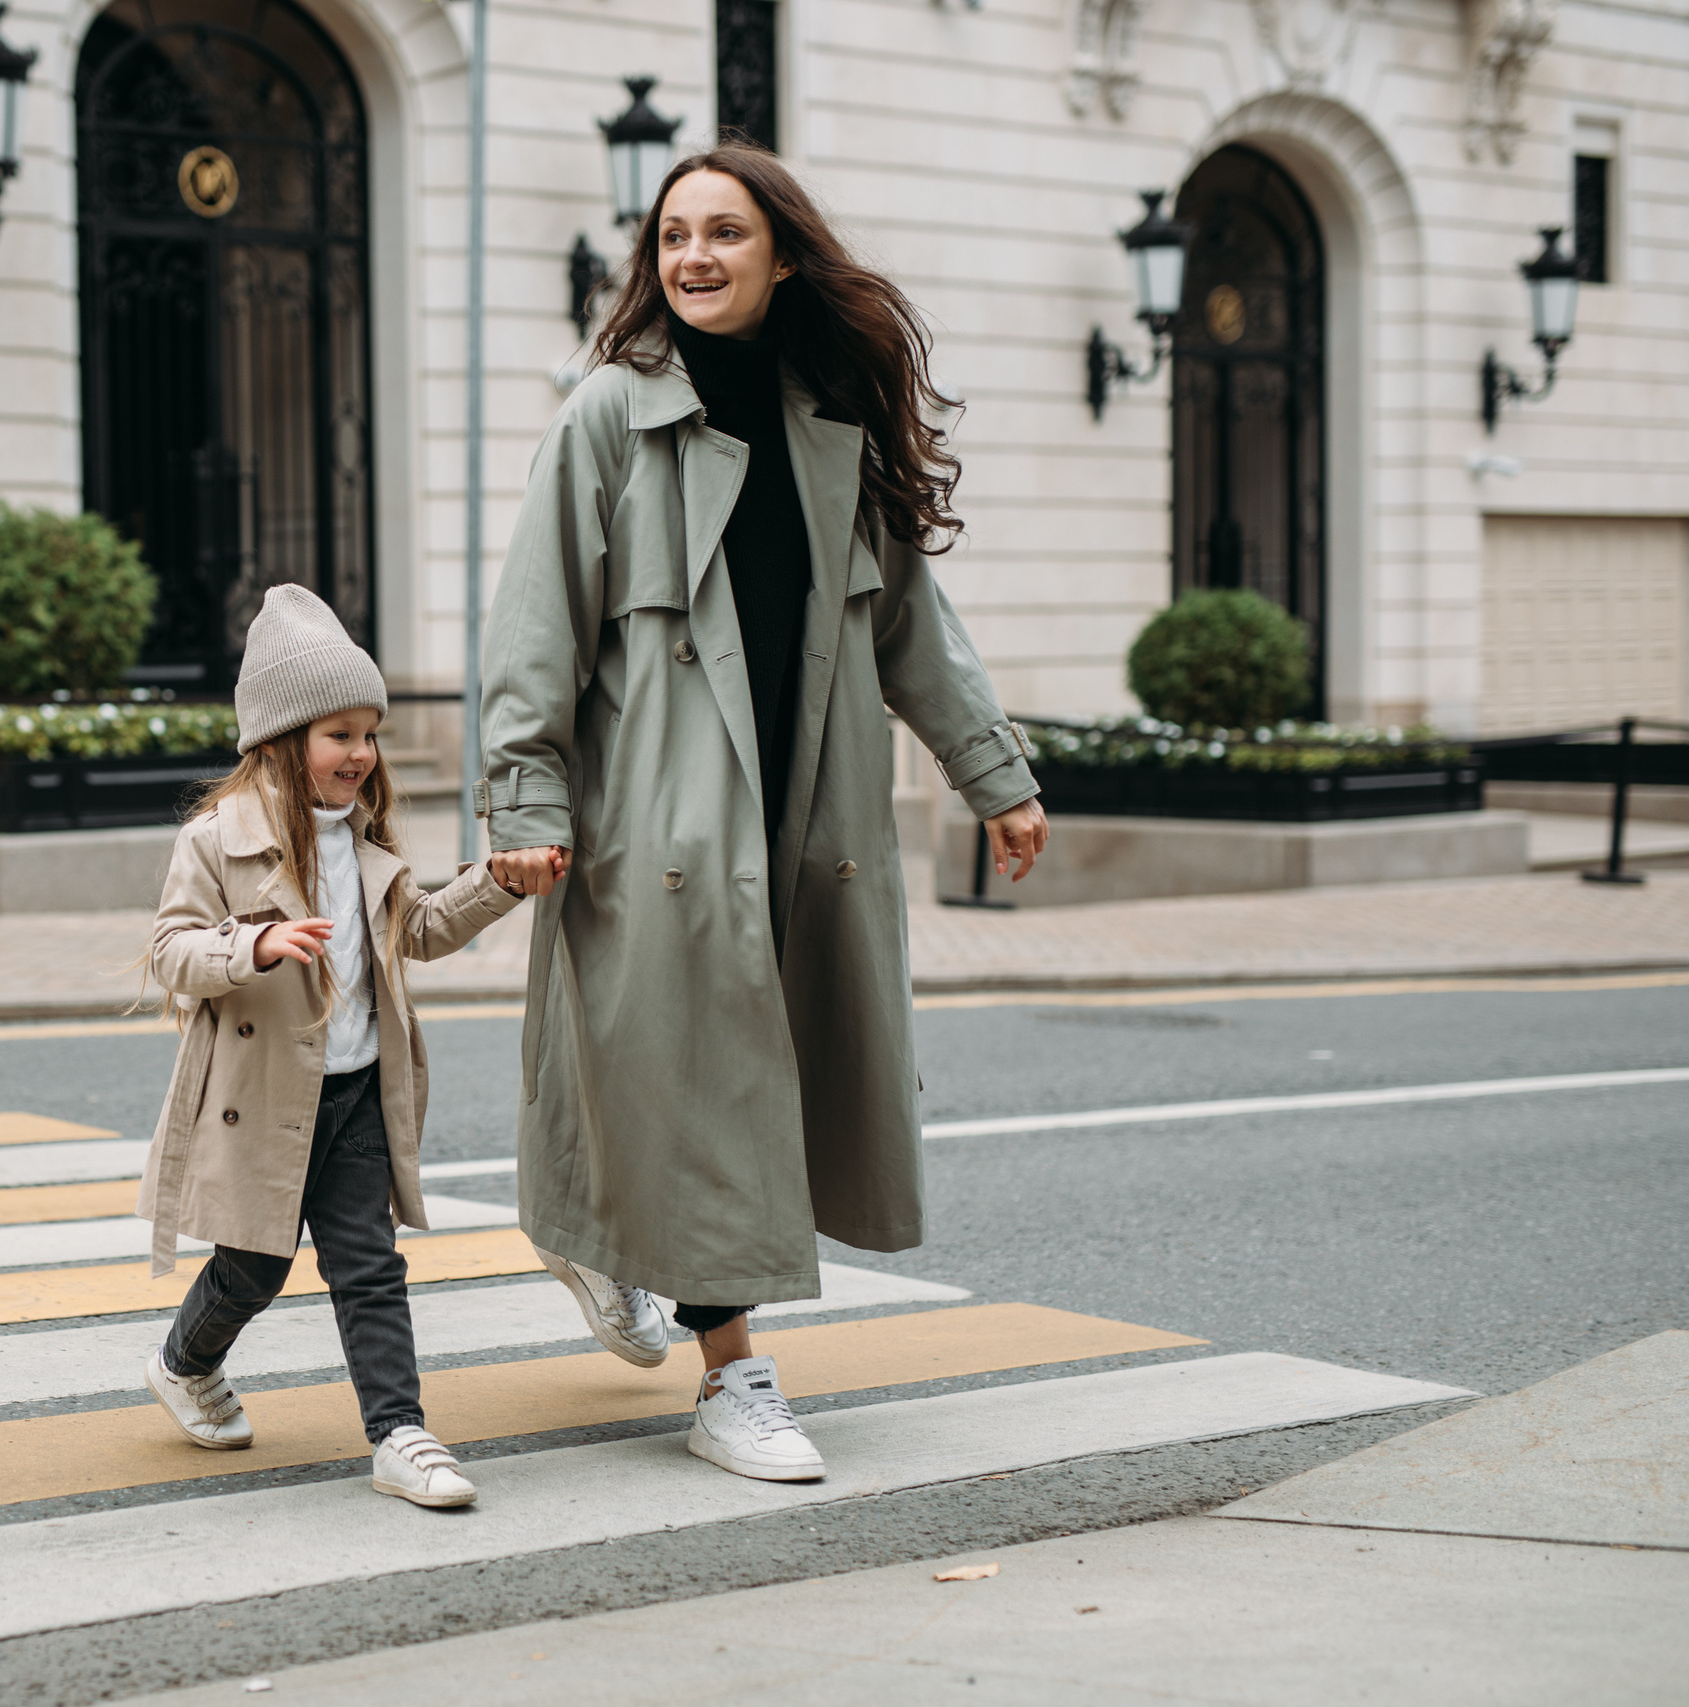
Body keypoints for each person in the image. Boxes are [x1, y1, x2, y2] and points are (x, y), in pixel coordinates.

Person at [479, 145, 1050, 1482]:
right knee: (708, 1091)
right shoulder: (608, 417)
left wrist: (995, 772)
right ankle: (733, 1374)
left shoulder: (829, 420)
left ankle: (600, 1228)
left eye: (722, 234)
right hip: (658, 829)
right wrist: (524, 794)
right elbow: (534, 628)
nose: (691, 258)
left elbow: (910, 622)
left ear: (781, 254)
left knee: (742, 1085)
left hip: (814, 817)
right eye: (672, 235)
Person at [137, 583, 527, 1507]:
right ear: (282, 741)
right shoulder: (213, 841)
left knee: (369, 1265)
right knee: (254, 1268)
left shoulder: (367, 836)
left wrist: (499, 882)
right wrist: (253, 944)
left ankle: (400, 1433)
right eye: (339, 734)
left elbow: (419, 932)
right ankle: (184, 1362)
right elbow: (168, 952)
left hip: (354, 1090)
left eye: (369, 733)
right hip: (265, 1096)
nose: (361, 754)